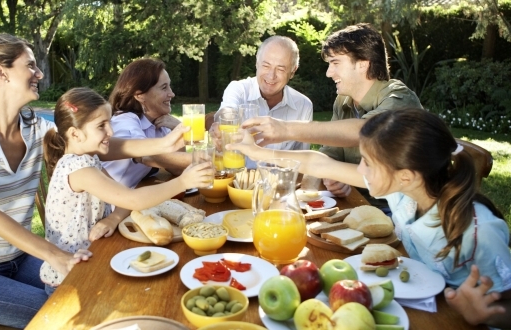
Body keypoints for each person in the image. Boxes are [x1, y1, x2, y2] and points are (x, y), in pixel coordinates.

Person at [0, 34, 191, 328]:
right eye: (30, 65)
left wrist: (166, 143)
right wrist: (56, 256)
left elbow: (105, 146)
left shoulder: (34, 128)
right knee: (65, 315)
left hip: (20, 257)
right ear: (0, 71)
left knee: (102, 289)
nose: (39, 73)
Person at [228, 108, 511, 328]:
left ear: (406, 175)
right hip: (413, 304)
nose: (360, 168)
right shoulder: (404, 192)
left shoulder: (479, 231)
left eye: (368, 162)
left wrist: (483, 314)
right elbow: (319, 162)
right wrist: (257, 152)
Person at [40, 87, 214, 294]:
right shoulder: (78, 169)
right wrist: (183, 182)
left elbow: (123, 198)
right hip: (69, 281)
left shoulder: (89, 159)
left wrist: (113, 219)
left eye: (109, 123)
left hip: (93, 259)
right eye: (101, 126)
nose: (111, 132)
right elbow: (132, 200)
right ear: (75, 134)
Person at [241, 24, 423, 205]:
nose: (329, 73)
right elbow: (326, 157)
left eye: (335, 63)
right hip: (352, 205)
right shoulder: (343, 102)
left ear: (362, 64)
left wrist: (285, 129)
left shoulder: (399, 97)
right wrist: (326, 183)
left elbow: (366, 131)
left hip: (398, 215)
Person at [209, 35, 313, 169]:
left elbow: (303, 161)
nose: (271, 75)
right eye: (266, 66)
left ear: (293, 71)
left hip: (278, 186)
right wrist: (222, 122)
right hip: (239, 183)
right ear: (257, 63)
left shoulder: (304, 106)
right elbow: (227, 111)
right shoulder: (238, 89)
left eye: (280, 69)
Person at [103, 58, 191, 189]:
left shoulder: (160, 123)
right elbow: (147, 156)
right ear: (139, 95)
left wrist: (176, 129)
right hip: (107, 205)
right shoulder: (125, 121)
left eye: (169, 86)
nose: (172, 94)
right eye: (164, 87)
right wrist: (211, 158)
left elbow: (178, 169)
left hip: (129, 200)